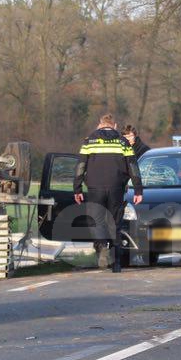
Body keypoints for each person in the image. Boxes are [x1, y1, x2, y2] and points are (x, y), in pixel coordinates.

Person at [74, 114, 144, 272]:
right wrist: (138, 189)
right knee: (115, 224)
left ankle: (101, 247)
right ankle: (117, 263)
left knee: (96, 221)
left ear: (100, 124)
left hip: (95, 188)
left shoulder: (90, 140)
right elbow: (133, 166)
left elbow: (80, 166)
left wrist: (77, 188)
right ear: (115, 125)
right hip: (116, 188)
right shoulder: (123, 141)